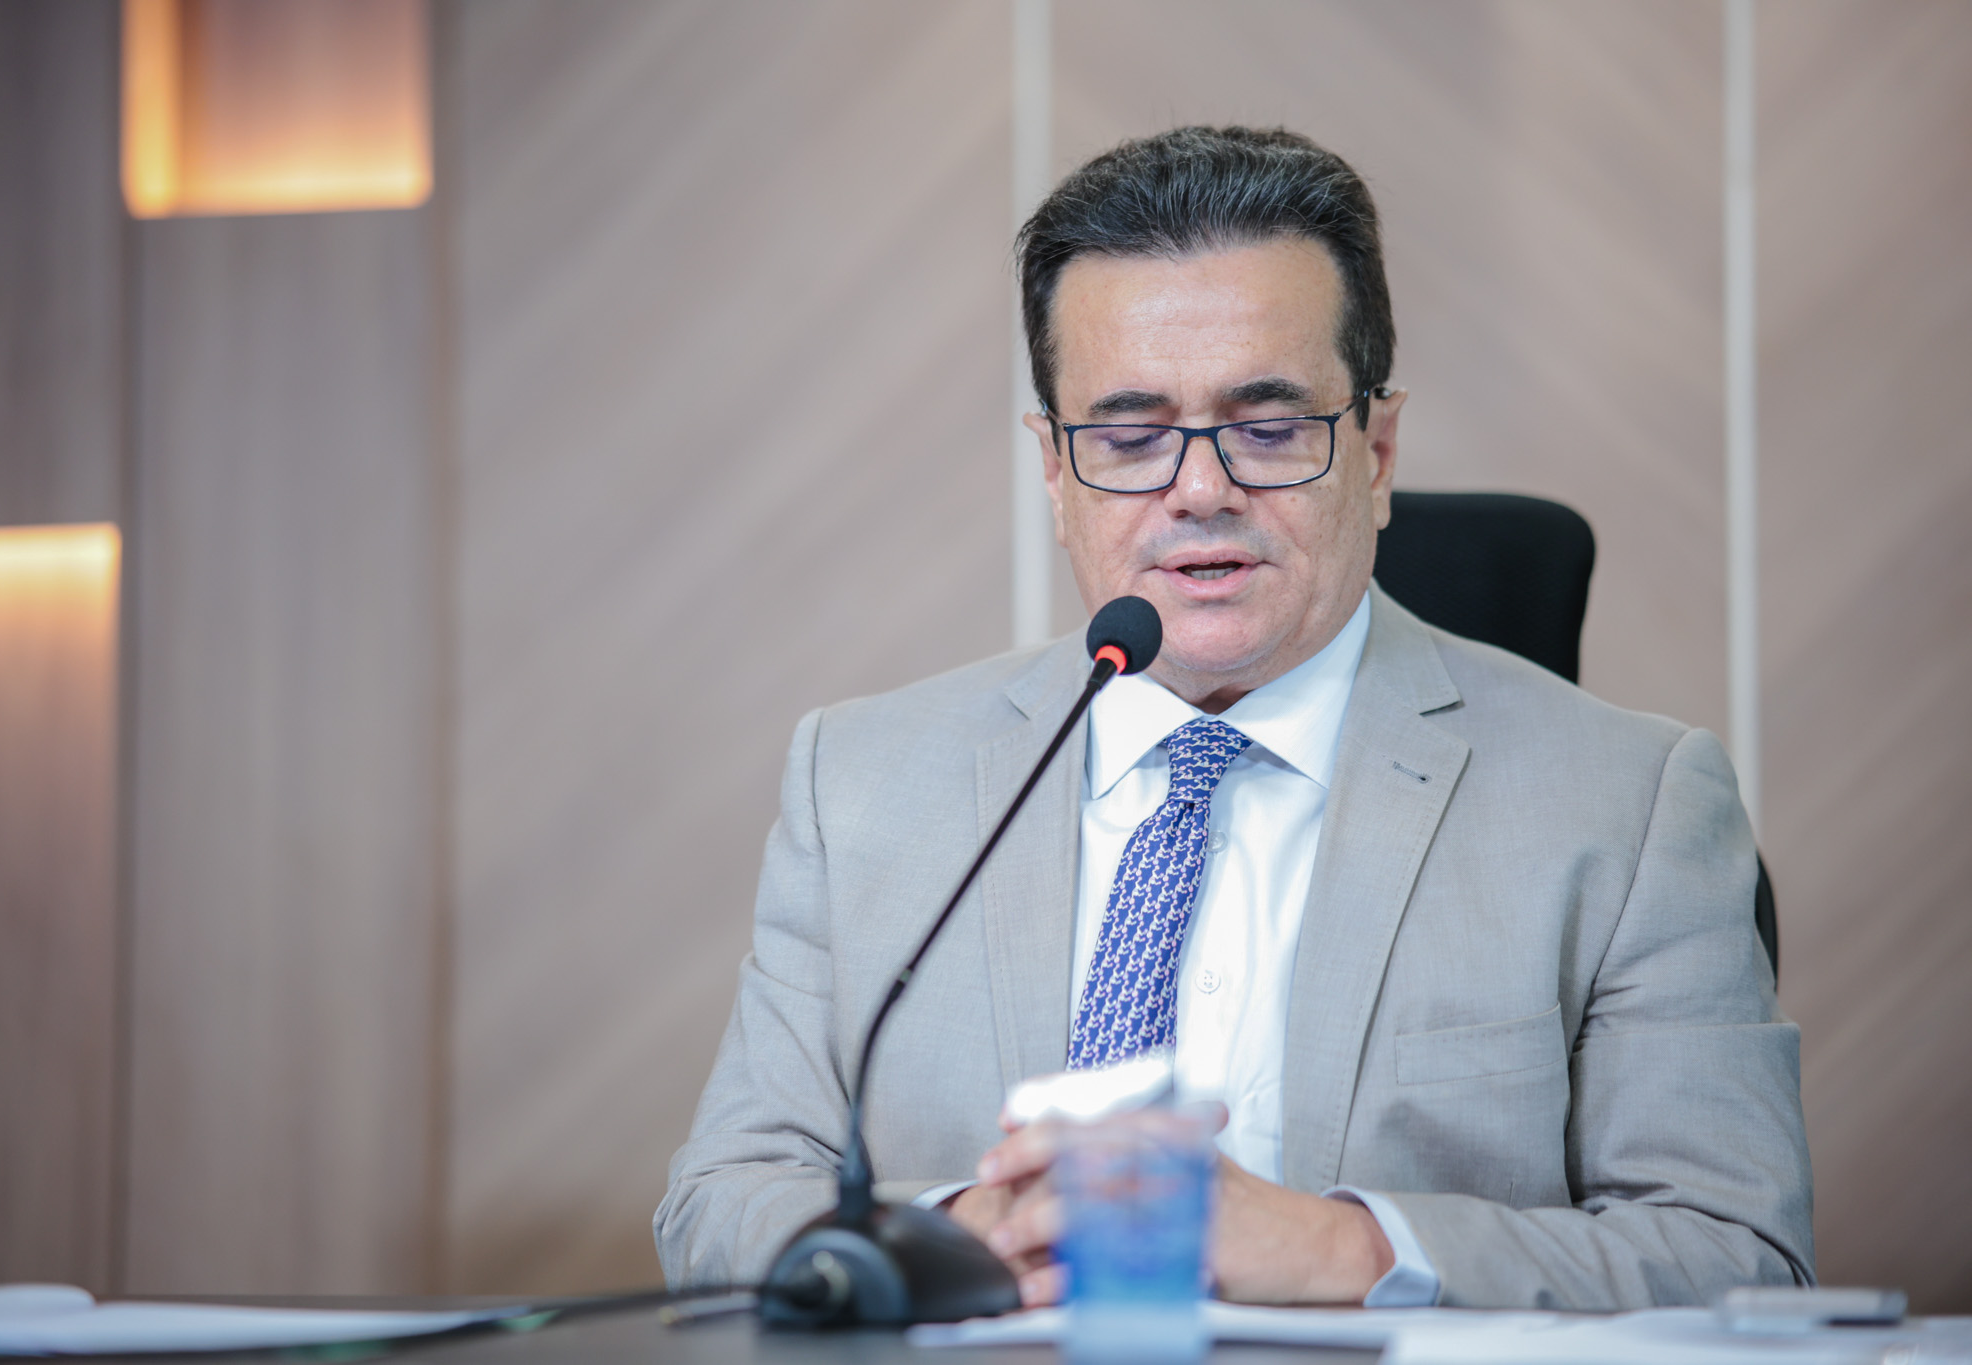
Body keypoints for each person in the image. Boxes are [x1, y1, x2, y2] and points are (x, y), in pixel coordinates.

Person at [654, 126, 1812, 1310]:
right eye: (1127, 437)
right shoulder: (860, 786)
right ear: (1053, 470)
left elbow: (1735, 1251)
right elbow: (719, 1204)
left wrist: (1343, 1249)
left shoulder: (1628, 805)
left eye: (1267, 428)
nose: (1199, 490)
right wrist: (952, 1234)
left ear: (1375, 450)